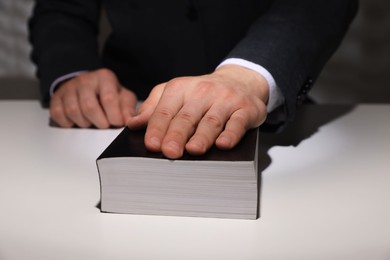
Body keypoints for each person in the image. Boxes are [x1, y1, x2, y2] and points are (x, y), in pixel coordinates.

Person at [29, 0, 358, 159]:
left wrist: (247, 74)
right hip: (120, 112)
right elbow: (61, 9)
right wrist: (73, 71)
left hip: (271, 115)